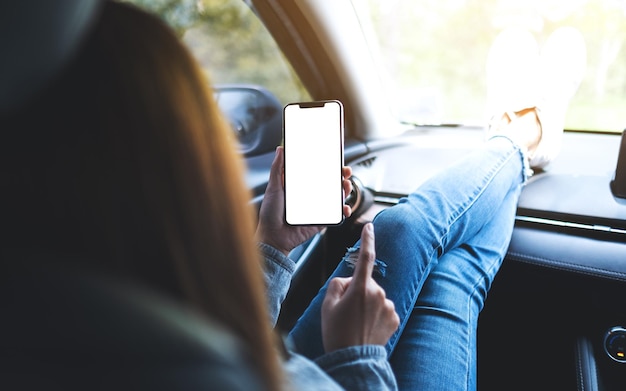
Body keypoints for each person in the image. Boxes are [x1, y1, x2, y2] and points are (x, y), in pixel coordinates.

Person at [0, 1, 586, 389]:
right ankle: (521, 135)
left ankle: (514, 136)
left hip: (287, 363)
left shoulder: (66, 305)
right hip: (332, 372)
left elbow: (224, 324)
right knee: (449, 262)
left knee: (406, 235)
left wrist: (275, 246)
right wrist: (358, 357)